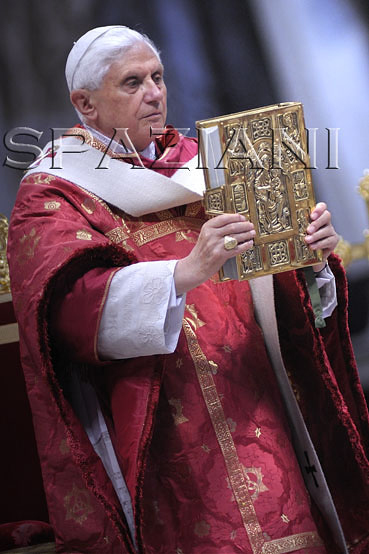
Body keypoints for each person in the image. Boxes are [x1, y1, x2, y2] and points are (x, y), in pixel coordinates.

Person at [7, 25, 369, 554]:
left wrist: (310, 258)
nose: (154, 93)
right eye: (132, 83)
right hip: (167, 428)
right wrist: (184, 271)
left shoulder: (209, 164)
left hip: (260, 400)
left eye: (157, 77)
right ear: (84, 103)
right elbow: (70, 316)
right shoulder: (56, 193)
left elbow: (283, 295)